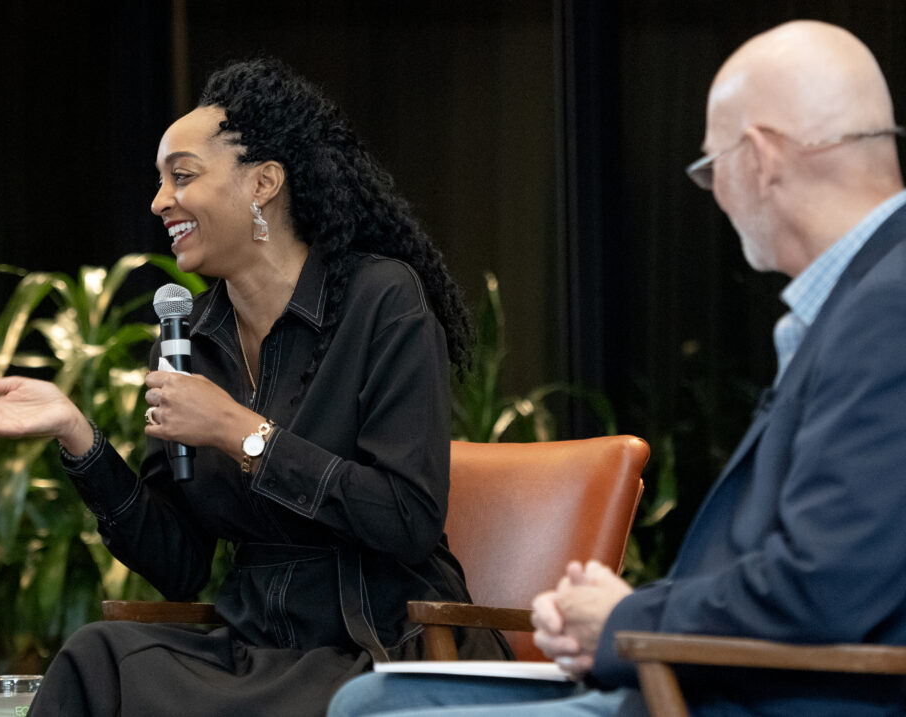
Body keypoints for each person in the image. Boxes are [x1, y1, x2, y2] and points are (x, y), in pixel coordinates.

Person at [326, 19, 906, 717]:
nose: (714, 192)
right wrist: (627, 610)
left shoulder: (888, 307)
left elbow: (825, 586)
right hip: (723, 672)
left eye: (708, 165)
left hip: (767, 695)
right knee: (372, 695)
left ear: (758, 157)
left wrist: (627, 622)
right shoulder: (865, 296)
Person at [0, 57, 509, 717]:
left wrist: (241, 433)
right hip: (258, 648)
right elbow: (178, 563)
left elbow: (404, 518)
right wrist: (78, 435)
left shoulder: (383, 301)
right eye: (158, 179)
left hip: (376, 643)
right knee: (96, 657)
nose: (159, 200)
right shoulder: (189, 342)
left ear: (263, 182)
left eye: (183, 175)